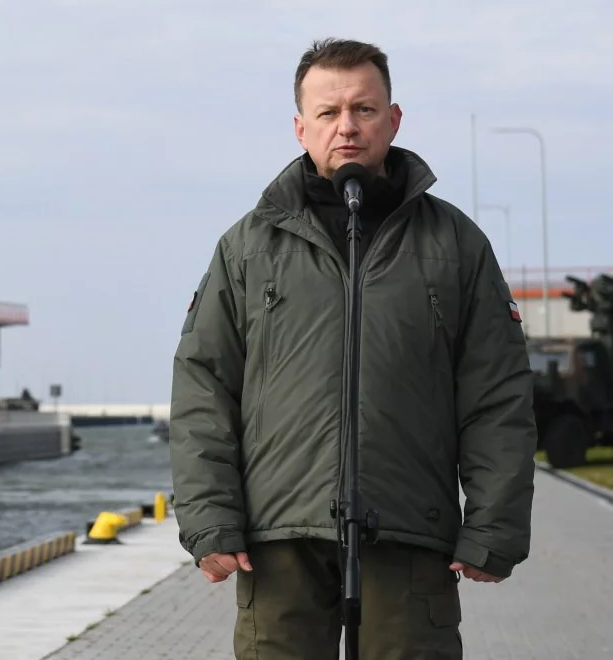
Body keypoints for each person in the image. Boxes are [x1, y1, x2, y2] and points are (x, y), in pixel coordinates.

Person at [170, 39, 536, 660]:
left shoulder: (456, 244)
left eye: (364, 110)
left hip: (410, 538)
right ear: (300, 127)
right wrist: (209, 520)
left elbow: (497, 394)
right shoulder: (247, 247)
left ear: (393, 119)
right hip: (277, 543)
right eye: (328, 112)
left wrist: (494, 525)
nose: (347, 127)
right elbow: (204, 387)